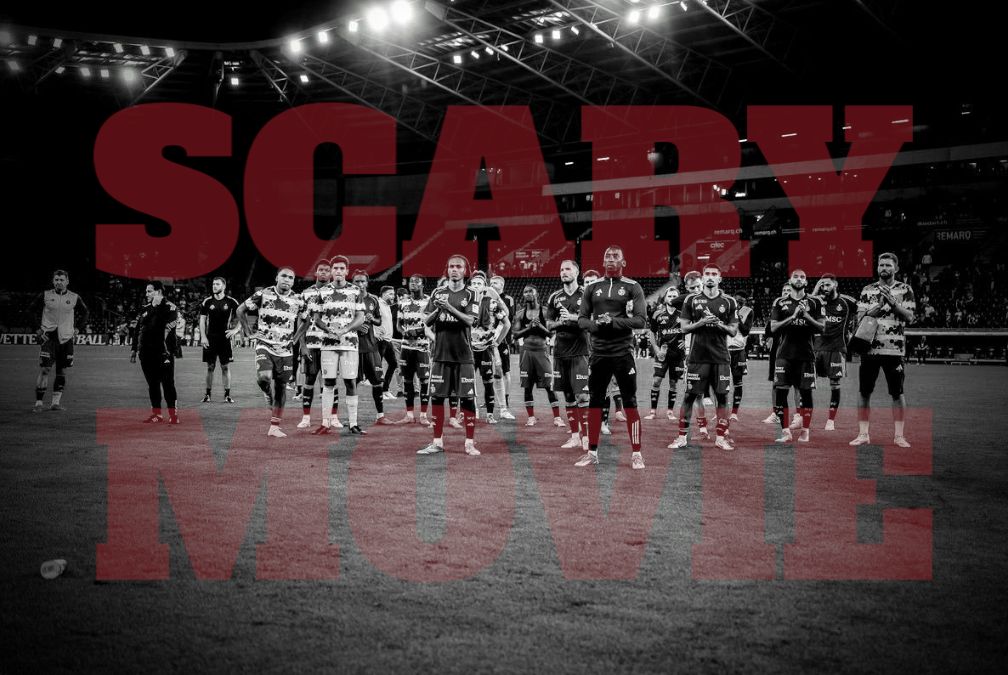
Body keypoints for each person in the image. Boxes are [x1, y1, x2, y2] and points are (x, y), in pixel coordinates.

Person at [575, 246, 647, 469]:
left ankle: (637, 454)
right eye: (607, 256)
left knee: (630, 402)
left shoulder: (633, 287)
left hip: (623, 353)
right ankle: (592, 453)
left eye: (616, 256)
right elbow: (582, 320)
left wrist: (613, 322)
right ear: (603, 261)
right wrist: (598, 324)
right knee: (595, 402)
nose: (611, 259)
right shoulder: (592, 287)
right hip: (599, 354)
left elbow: (640, 321)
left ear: (623, 262)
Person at [668, 264, 738, 450]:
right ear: (703, 277)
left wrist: (719, 324)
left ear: (719, 278)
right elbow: (684, 328)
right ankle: (682, 437)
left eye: (714, 274)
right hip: (697, 357)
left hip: (720, 357)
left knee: (722, 397)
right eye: (707, 274)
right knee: (689, 396)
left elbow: (733, 331)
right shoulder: (691, 300)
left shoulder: (729, 301)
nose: (710, 277)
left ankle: (721, 437)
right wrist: (702, 322)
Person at [417, 255, 481, 456]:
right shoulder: (438, 292)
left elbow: (470, 320)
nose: (454, 270)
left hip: (463, 355)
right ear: (447, 270)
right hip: (440, 354)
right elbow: (426, 321)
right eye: (451, 266)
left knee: (467, 399)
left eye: (458, 267)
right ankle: (437, 442)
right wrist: (438, 308)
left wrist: (448, 308)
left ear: (465, 271)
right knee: (437, 398)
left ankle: (469, 443)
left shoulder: (472, 293)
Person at [851, 252, 916, 447]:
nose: (884, 268)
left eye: (888, 265)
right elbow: (859, 318)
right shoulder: (867, 290)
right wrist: (878, 306)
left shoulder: (905, 289)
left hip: (894, 351)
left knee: (897, 393)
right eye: (881, 265)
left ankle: (899, 436)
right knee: (864, 392)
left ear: (896, 268)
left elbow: (910, 317)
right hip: (869, 349)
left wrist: (894, 304)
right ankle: (863, 434)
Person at [236, 267, 308, 437]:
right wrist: (248, 332)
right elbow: (240, 310)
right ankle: (267, 393)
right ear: (277, 278)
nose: (287, 280)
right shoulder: (263, 294)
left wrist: (296, 338)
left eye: (290, 277)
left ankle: (274, 427)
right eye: (284, 276)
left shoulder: (298, 300)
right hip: (265, 344)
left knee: (281, 387)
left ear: (293, 281)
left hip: (285, 350)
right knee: (264, 377)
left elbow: (307, 320)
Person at [308, 256, 366, 434]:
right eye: (336, 268)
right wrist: (328, 329)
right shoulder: (322, 292)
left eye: (342, 268)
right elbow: (316, 318)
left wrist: (345, 329)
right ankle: (325, 423)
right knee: (328, 382)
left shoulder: (356, 291)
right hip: (328, 343)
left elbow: (361, 317)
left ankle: (353, 423)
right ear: (331, 271)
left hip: (349, 343)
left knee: (350, 382)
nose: (339, 271)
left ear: (347, 271)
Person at [768, 269, 825, 443]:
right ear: (790, 280)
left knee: (806, 394)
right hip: (784, 354)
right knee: (781, 393)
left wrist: (806, 315)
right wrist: (792, 317)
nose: (799, 279)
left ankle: (805, 431)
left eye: (802, 277)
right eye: (796, 277)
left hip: (806, 355)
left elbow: (822, 327)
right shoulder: (780, 302)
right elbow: (773, 327)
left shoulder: (815, 302)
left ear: (806, 282)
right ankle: (785, 431)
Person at [546, 259, 590, 449]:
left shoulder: (586, 294)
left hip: (580, 351)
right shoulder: (554, 297)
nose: (563, 272)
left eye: (568, 269)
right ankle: (574, 436)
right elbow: (548, 324)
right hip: (560, 352)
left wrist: (572, 318)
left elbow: (592, 321)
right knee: (569, 396)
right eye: (562, 269)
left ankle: (586, 438)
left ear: (577, 272)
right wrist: (561, 323)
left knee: (583, 396)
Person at [33, 269, 88, 412]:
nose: (59, 282)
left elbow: (85, 313)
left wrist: (78, 328)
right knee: (45, 369)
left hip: (66, 339)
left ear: (67, 281)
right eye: (56, 280)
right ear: (53, 281)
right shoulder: (45, 295)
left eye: (62, 280)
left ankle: (55, 403)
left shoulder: (74, 297)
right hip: (49, 338)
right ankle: (39, 403)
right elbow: (30, 310)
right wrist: (37, 329)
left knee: (62, 371)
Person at [581, 268, 626, 435]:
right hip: (580, 352)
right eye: (587, 282)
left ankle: (603, 422)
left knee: (603, 388)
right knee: (582, 390)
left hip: (601, 351)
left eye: (592, 282)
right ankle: (584, 421)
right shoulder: (579, 303)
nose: (589, 285)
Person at [811, 274, 858, 430]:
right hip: (816, 348)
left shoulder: (847, 301)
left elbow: (863, 311)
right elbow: (804, 304)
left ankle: (831, 420)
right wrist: (816, 289)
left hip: (837, 348)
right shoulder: (817, 301)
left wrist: (855, 331)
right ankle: (803, 417)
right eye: (822, 285)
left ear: (835, 285)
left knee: (835, 384)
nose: (825, 288)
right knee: (806, 382)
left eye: (828, 285)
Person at [513, 284, 564, 427]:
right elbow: (515, 335)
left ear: (537, 293)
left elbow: (552, 333)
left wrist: (540, 326)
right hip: (526, 352)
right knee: (527, 386)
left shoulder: (546, 312)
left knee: (549, 386)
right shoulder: (520, 314)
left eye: (530, 291)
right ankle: (531, 417)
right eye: (525, 292)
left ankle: (557, 417)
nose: (528, 293)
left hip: (542, 351)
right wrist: (529, 328)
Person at [130, 281, 180, 424]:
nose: (146, 294)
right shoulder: (146, 308)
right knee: (152, 384)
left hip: (163, 352)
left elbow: (163, 327)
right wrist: (134, 348)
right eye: (146, 291)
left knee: (168, 383)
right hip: (146, 352)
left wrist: (156, 307)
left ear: (158, 292)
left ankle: (173, 415)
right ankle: (157, 414)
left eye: (149, 291)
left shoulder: (171, 308)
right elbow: (139, 329)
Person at [468, 271, 511, 424]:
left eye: (479, 283)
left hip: (487, 348)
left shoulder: (492, 302)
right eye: (473, 283)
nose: (476, 285)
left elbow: (507, 322)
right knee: (468, 382)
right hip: (469, 349)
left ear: (484, 286)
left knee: (490, 381)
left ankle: (492, 414)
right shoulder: (465, 303)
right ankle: (473, 412)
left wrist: (497, 341)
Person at [351, 270, 392, 426]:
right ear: (353, 283)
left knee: (377, 382)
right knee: (352, 383)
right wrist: (356, 326)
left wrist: (372, 319)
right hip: (353, 348)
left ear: (367, 283)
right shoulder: (348, 298)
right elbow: (342, 321)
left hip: (371, 346)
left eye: (362, 281)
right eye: (357, 281)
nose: (360, 284)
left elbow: (379, 321)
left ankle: (380, 416)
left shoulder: (373, 299)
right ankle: (353, 420)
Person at [297, 260, 332, 428]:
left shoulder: (336, 292)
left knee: (330, 381)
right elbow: (300, 320)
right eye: (321, 270)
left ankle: (332, 417)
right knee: (309, 379)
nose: (324, 272)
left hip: (330, 344)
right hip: (311, 343)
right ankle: (306, 418)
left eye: (327, 270)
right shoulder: (306, 294)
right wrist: (302, 345)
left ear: (331, 273)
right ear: (316, 273)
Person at [397, 274, 433, 426]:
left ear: (423, 284)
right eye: (411, 281)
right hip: (406, 347)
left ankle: (423, 415)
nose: (413, 284)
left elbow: (432, 323)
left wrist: (418, 331)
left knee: (424, 380)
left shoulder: (429, 301)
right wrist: (404, 332)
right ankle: (409, 415)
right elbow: (398, 324)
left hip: (423, 347)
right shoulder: (403, 302)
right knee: (407, 380)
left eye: (417, 282)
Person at [198, 276, 241, 404]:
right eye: (213, 284)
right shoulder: (207, 301)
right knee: (210, 367)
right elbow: (202, 320)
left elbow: (242, 316)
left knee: (225, 367)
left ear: (224, 286)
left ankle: (227, 395)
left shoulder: (231, 301)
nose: (214, 286)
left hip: (225, 339)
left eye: (217, 284)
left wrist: (235, 330)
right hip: (210, 338)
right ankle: (207, 395)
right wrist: (203, 336)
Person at [645, 286, 685, 421]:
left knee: (673, 383)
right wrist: (656, 349)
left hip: (678, 354)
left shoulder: (683, 314)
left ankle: (670, 412)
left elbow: (690, 330)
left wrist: (686, 341)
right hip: (662, 354)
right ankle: (652, 412)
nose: (672, 298)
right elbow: (651, 333)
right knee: (656, 380)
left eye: (675, 296)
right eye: (670, 296)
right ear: (665, 298)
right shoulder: (657, 314)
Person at [489, 274, 516, 419]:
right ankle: (490, 399)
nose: (492, 285)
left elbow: (507, 318)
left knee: (505, 372)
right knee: (488, 372)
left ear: (502, 285)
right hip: (487, 340)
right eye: (491, 282)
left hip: (501, 340)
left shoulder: (508, 299)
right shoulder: (486, 298)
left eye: (495, 283)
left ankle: (505, 400)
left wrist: (498, 339)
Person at [727, 295, 754, 421]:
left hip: (739, 351)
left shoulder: (748, 312)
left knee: (738, 382)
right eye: (736, 300)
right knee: (721, 382)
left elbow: (745, 331)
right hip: (724, 350)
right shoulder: (725, 309)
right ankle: (721, 410)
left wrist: (737, 316)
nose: (738, 302)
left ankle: (734, 413)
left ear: (744, 302)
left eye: (741, 301)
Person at [377, 285, 400, 399]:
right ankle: (379, 392)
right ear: (383, 294)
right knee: (377, 367)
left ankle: (385, 390)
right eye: (390, 294)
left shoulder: (387, 306)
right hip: (380, 340)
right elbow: (369, 319)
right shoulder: (377, 304)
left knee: (393, 364)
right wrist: (375, 332)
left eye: (393, 294)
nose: (393, 296)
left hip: (388, 340)